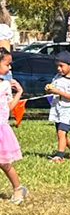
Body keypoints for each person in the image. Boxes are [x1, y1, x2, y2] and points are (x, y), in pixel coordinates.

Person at [0, 49, 27, 203]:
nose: (9, 68)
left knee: (4, 163)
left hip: (1, 129)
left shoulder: (5, 86)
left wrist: (19, 93)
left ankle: (18, 188)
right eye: (7, 64)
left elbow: (9, 107)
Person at [46, 51, 70, 161]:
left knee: (62, 132)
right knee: (60, 133)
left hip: (69, 109)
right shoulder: (57, 77)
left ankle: (59, 156)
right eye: (57, 66)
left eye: (61, 66)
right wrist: (49, 89)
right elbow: (53, 90)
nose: (59, 69)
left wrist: (58, 92)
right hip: (58, 108)